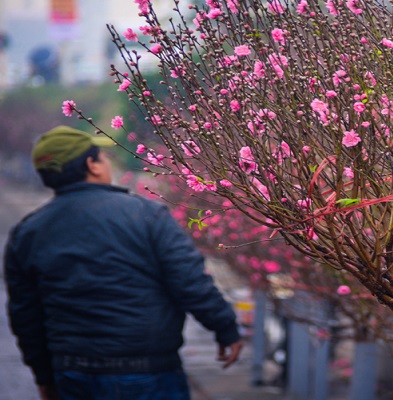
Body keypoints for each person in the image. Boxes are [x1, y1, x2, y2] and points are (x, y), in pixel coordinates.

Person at [4, 126, 243, 400]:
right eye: (103, 157)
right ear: (92, 165)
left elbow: (25, 315)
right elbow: (189, 281)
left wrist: (44, 376)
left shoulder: (28, 233)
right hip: (148, 371)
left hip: (73, 373)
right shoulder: (146, 215)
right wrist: (225, 328)